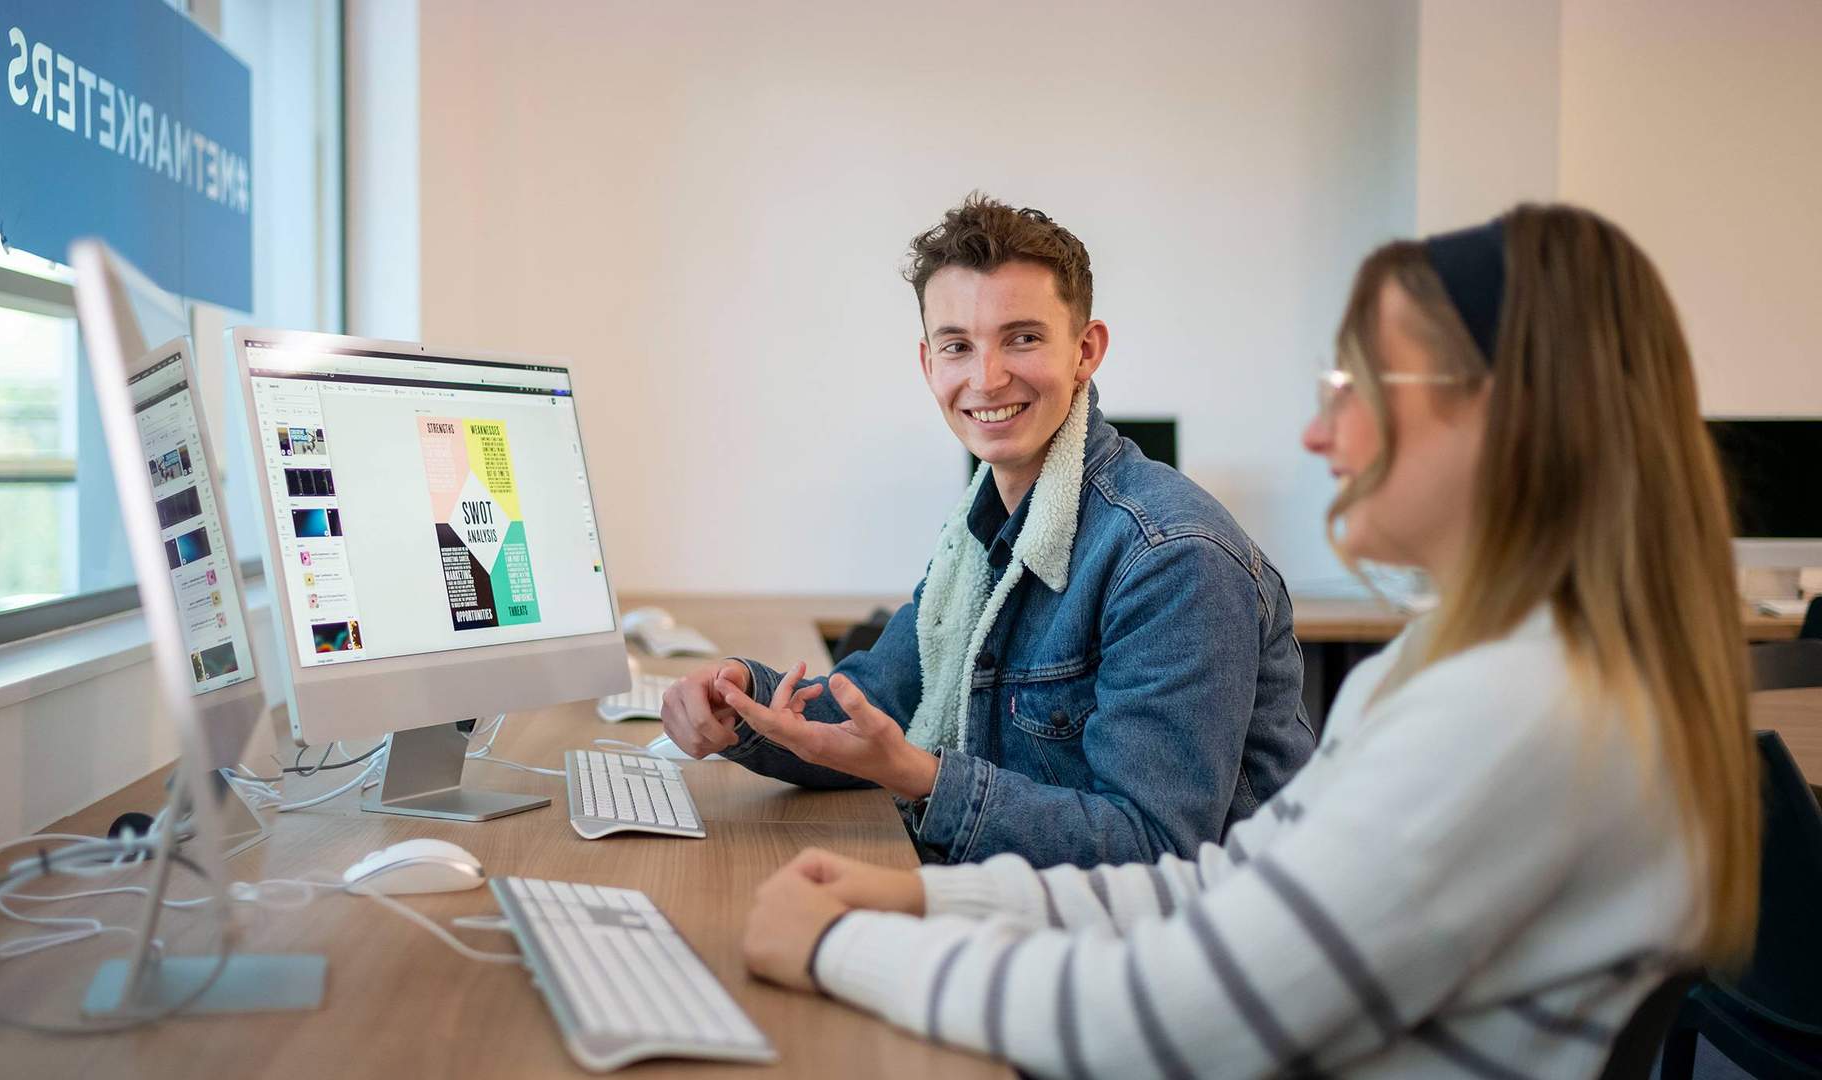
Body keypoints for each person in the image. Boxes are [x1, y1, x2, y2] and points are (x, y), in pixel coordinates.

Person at [737, 204, 1761, 1077]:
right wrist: (916, 896)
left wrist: (842, 948)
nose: (1320, 436)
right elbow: (1212, 890)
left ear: (1513, 419)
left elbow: (1177, 1019)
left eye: (1359, 387)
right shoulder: (1444, 663)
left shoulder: (1518, 709)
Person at [660, 194, 1313, 867]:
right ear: (928, 365)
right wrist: (740, 696)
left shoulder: (1174, 558)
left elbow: (1151, 847)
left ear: (1086, 351)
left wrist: (923, 778)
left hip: (1161, 953)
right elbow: (875, 708)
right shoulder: (977, 535)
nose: (986, 377)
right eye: (958, 346)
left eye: (1023, 338)